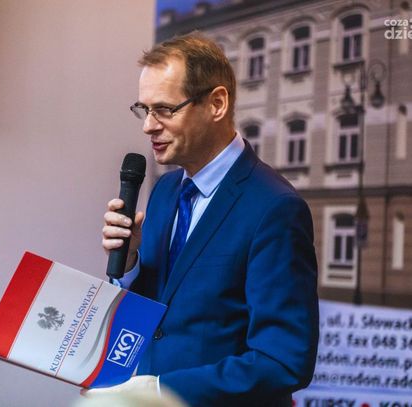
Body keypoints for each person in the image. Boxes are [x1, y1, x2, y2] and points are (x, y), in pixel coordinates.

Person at [94, 33, 319, 406]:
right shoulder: (165, 190)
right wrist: (130, 263)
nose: (148, 126)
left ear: (216, 103)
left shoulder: (275, 208)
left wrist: (162, 390)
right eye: (143, 109)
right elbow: (162, 317)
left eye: (164, 109)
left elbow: (284, 361)